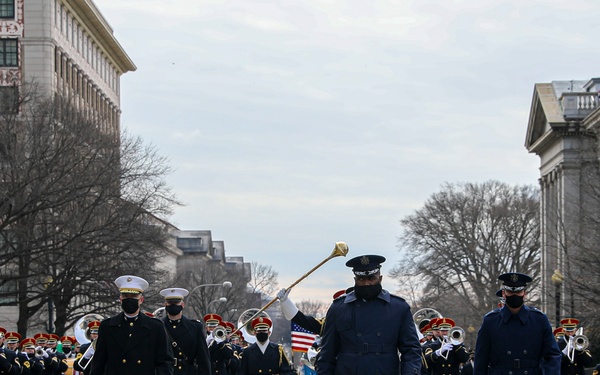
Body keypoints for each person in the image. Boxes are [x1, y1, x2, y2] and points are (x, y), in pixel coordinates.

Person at [316, 254, 423, 375]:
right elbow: (327, 354)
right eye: (362, 279)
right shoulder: (339, 308)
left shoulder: (398, 308)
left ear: (380, 278)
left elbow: (411, 349)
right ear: (355, 280)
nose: (367, 283)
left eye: (371, 278)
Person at [474, 272, 561, 375]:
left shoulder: (539, 320)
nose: (514, 295)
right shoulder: (490, 321)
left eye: (519, 292)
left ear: (525, 294)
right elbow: (481, 360)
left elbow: (552, 355)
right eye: (510, 292)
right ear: (503, 294)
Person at [90, 275, 174, 375]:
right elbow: (99, 363)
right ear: (120, 299)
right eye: (126, 296)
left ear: (141, 300)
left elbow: (164, 362)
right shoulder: (107, 326)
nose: (129, 299)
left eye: (134, 296)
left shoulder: (155, 327)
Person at [159, 287, 211, 375]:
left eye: (176, 302)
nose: (173, 305)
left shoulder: (195, 327)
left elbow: (203, 359)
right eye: (170, 302)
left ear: (182, 305)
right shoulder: (158, 326)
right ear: (165, 305)